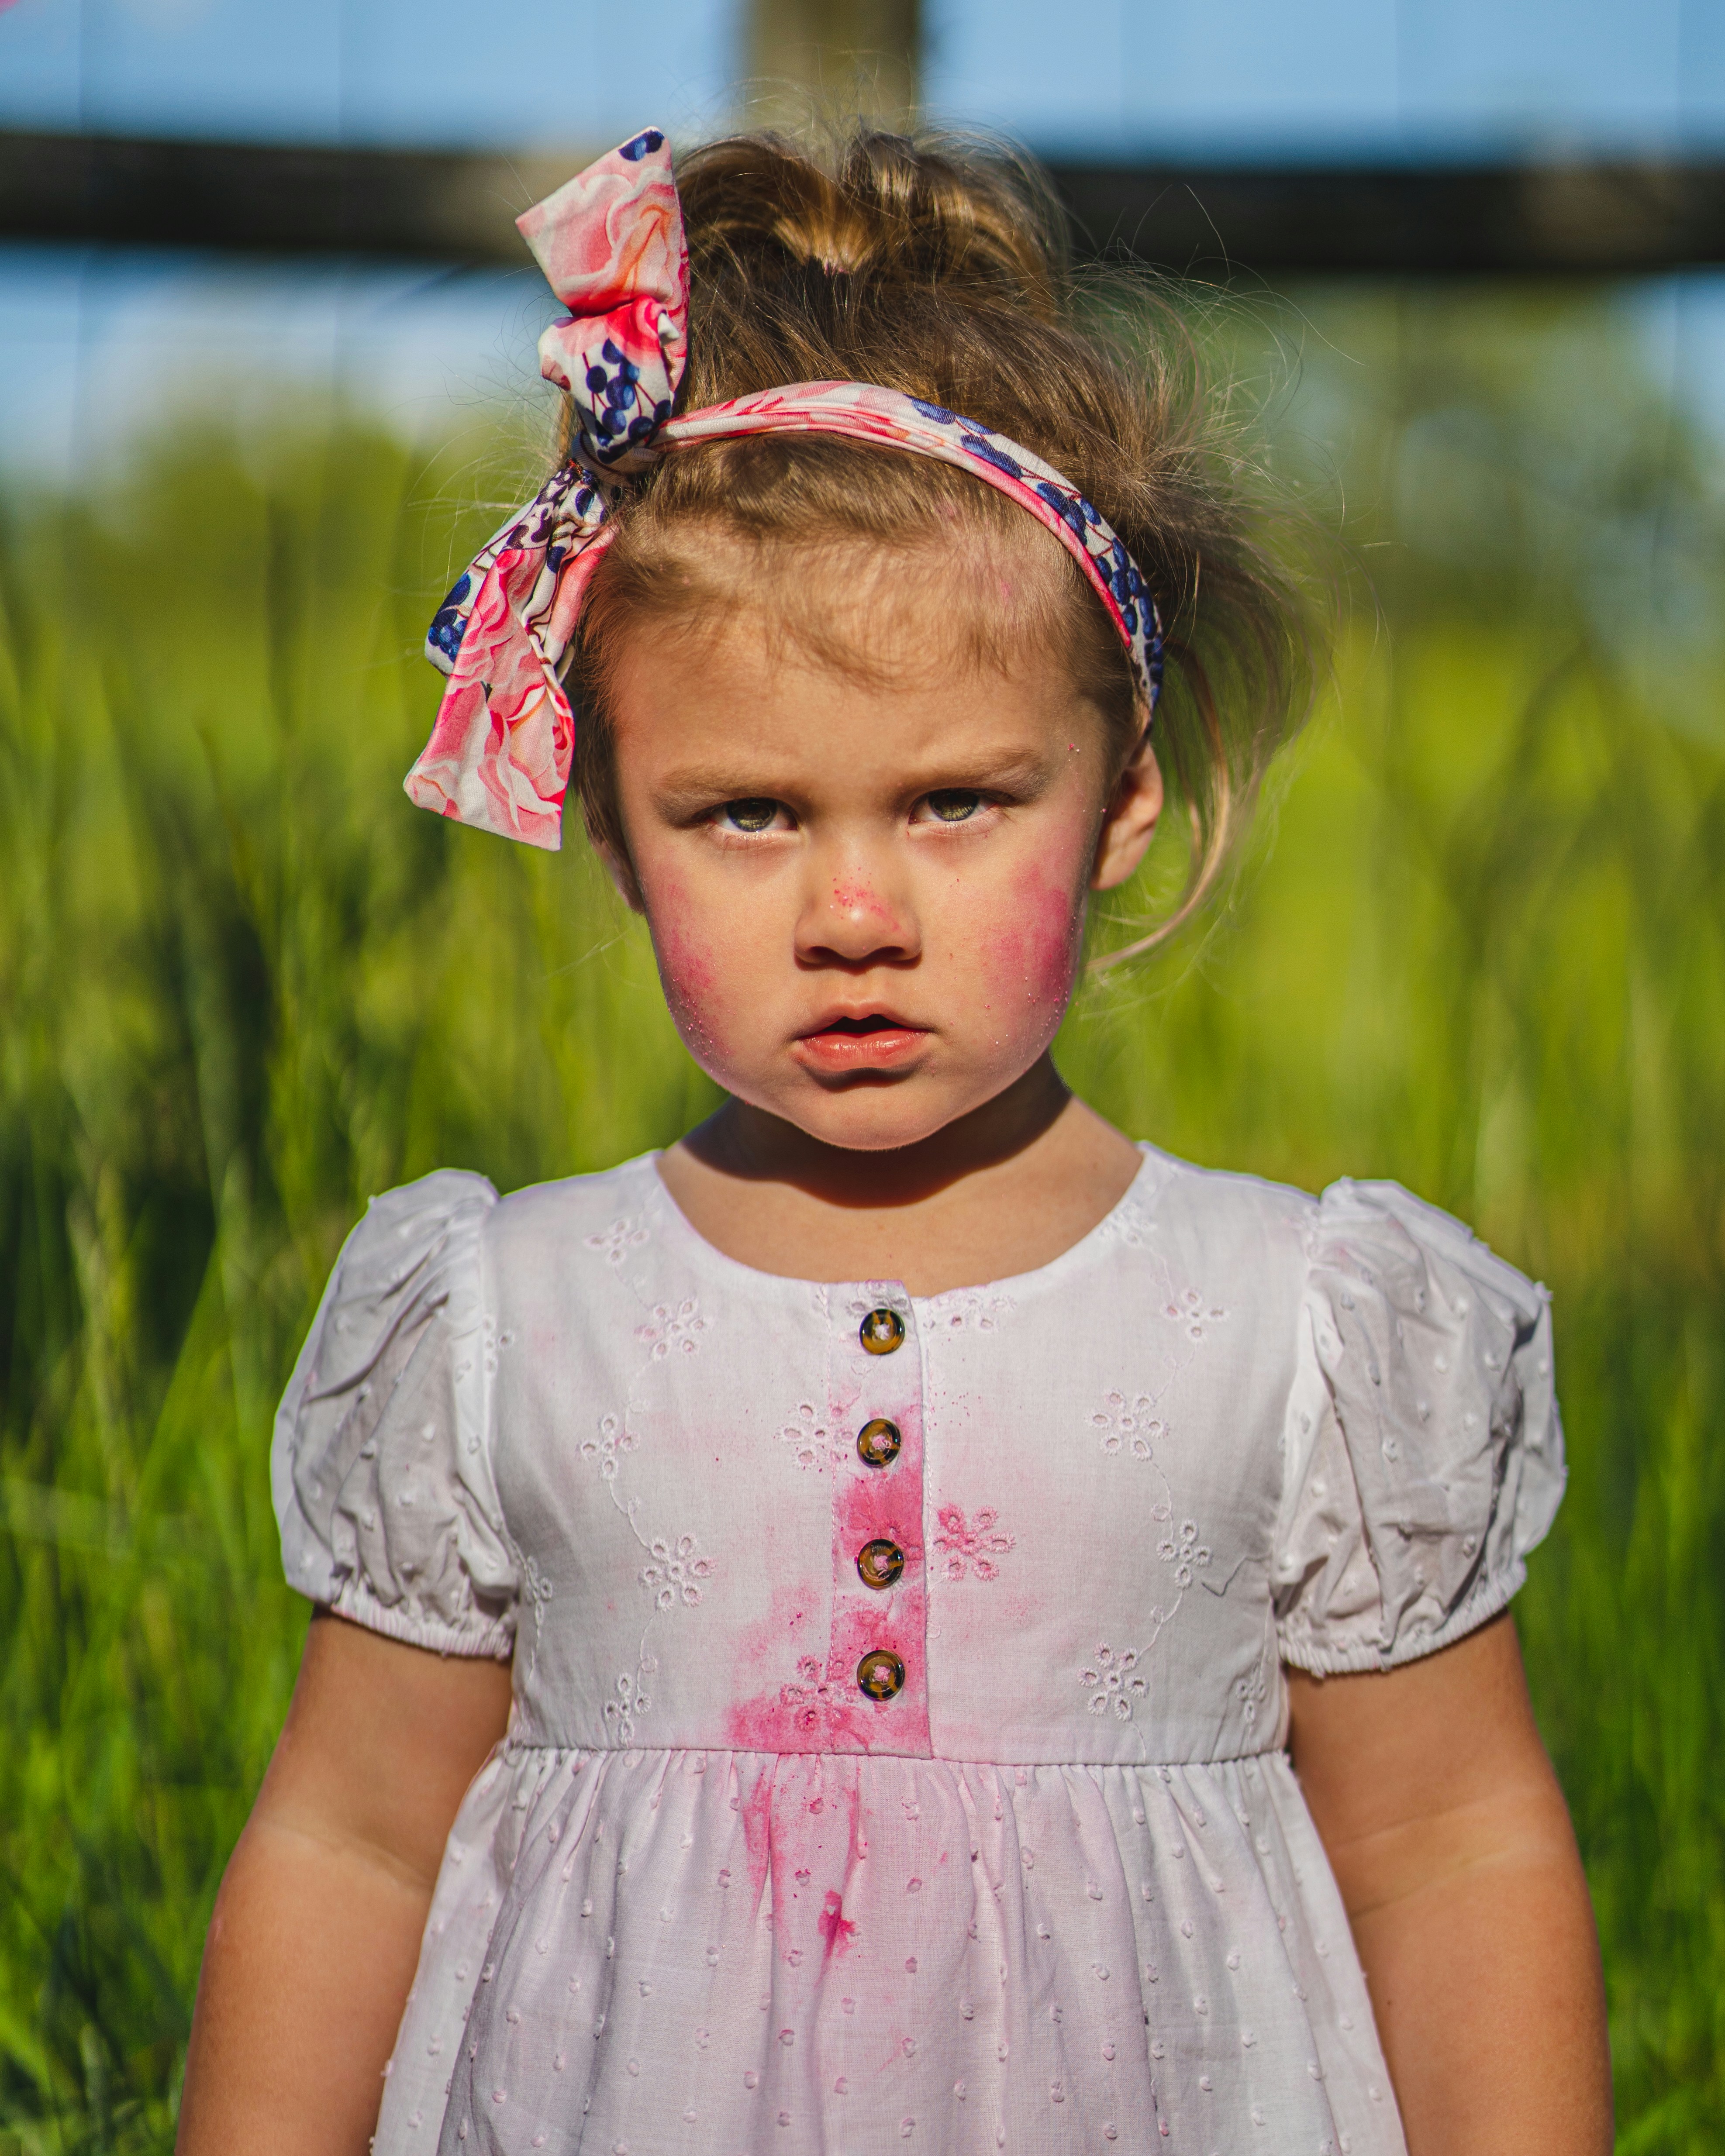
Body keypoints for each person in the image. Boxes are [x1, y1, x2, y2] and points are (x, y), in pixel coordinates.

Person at [176, 125, 1612, 2156]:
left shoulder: (1303, 1328)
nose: (854, 910)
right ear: (613, 826)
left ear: (1120, 797)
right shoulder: (499, 1319)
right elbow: (355, 1837)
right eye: (748, 812)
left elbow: (1450, 1845)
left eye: (953, 801)